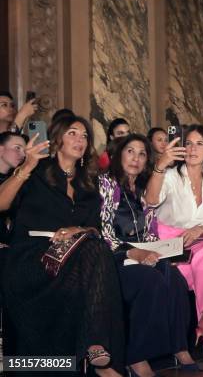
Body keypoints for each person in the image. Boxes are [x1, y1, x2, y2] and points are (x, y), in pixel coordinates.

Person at [0, 116, 124, 376]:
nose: (80, 139)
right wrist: (26, 168)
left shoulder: (87, 184)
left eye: (84, 136)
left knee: (95, 246)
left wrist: (78, 230)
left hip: (73, 259)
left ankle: (94, 344)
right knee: (94, 251)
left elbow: (94, 230)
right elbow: (1, 204)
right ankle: (97, 348)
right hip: (32, 257)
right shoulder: (35, 171)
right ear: (56, 139)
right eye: (72, 133)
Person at [99, 134, 197, 376]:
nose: (136, 158)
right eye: (130, 151)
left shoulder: (144, 188)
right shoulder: (107, 183)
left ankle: (179, 346)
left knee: (175, 280)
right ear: (119, 154)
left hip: (143, 255)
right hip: (115, 258)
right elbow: (104, 233)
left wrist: (161, 252)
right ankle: (136, 356)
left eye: (142, 153)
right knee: (150, 281)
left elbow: (150, 230)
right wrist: (134, 251)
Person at [145, 124, 203, 359]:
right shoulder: (172, 176)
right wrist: (159, 167)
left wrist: (201, 229)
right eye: (189, 143)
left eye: (200, 144)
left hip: (197, 245)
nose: (193, 148)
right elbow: (151, 201)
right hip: (166, 244)